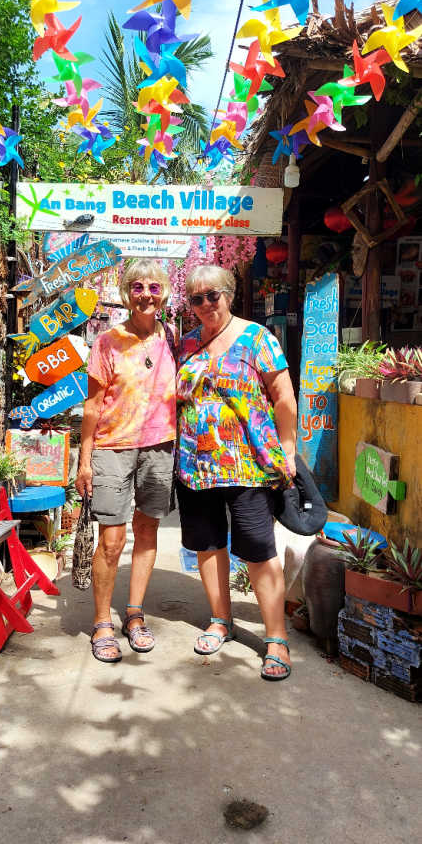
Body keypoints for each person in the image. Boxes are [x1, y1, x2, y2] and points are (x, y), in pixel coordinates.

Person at [175, 265, 297, 681]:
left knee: (258, 550)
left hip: (247, 464)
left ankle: (276, 638)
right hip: (195, 466)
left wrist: (290, 449)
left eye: (213, 296)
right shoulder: (187, 342)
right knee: (208, 546)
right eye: (196, 299)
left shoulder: (258, 338)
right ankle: (220, 619)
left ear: (229, 294)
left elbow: (283, 396)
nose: (206, 305)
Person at [75, 261, 176, 663]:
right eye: (137, 286)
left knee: (148, 530)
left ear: (165, 292)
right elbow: (92, 405)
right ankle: (102, 621)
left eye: (154, 286)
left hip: (159, 447)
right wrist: (84, 462)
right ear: (126, 292)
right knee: (112, 540)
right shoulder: (107, 341)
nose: (146, 294)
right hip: (113, 447)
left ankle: (134, 614)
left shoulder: (172, 337)